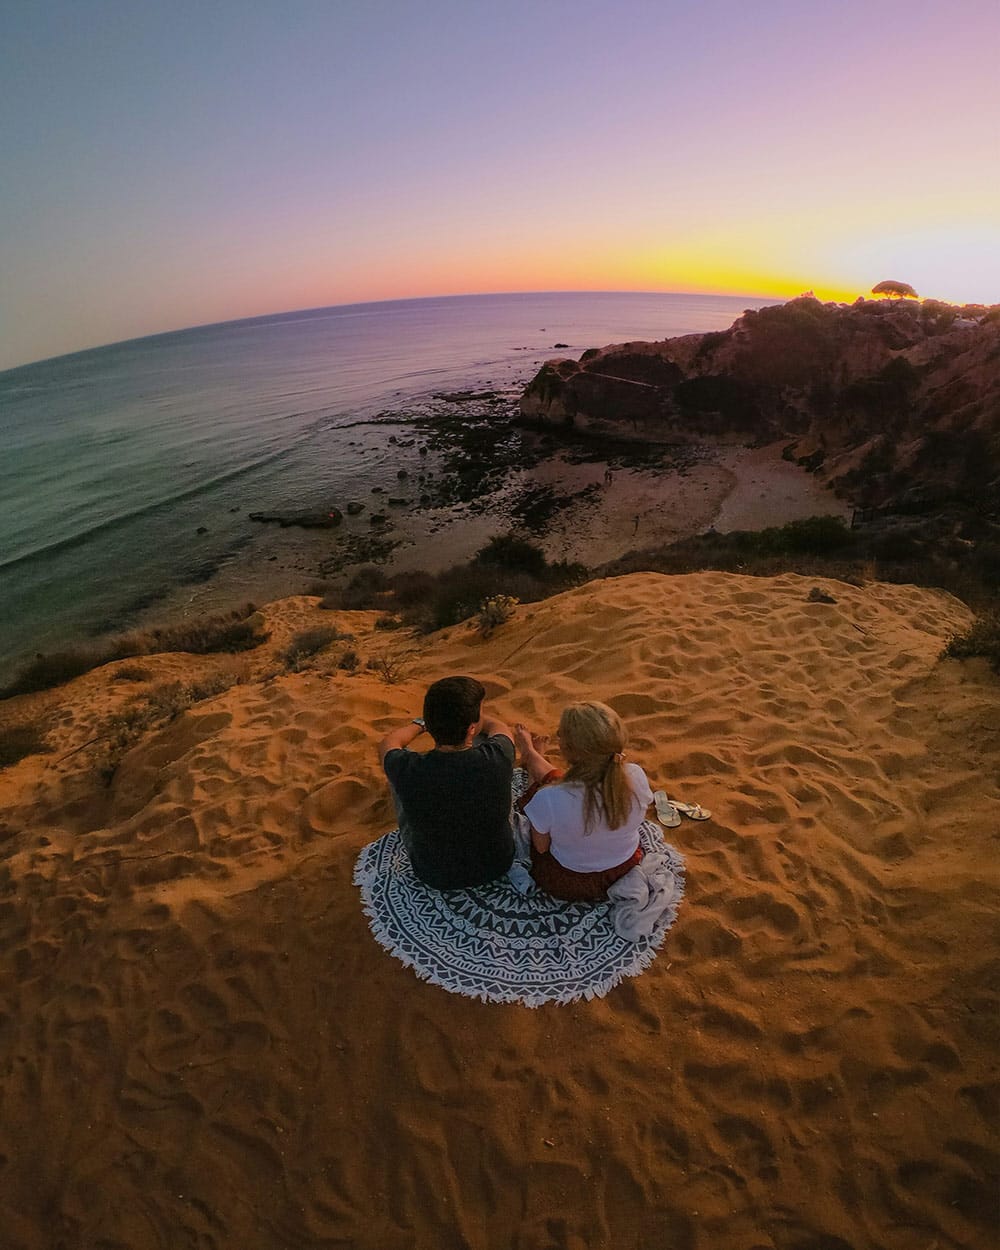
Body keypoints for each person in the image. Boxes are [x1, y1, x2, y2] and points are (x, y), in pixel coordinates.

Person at [378, 676, 516, 890]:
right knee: (484, 739)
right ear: (471, 727)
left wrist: (420, 724)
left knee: (396, 768)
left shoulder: (409, 768)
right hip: (497, 863)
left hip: (434, 873)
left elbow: (389, 743)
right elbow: (498, 727)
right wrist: (472, 716)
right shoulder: (498, 755)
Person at [514, 701, 653, 902]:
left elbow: (542, 848)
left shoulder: (551, 797)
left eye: (560, 734)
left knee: (537, 796)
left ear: (568, 749)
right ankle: (533, 754)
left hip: (569, 881)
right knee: (556, 783)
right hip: (624, 866)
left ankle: (530, 754)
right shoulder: (635, 775)